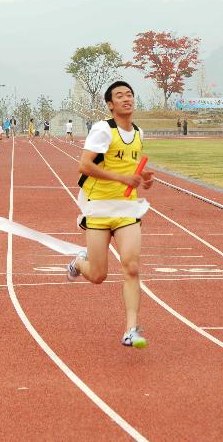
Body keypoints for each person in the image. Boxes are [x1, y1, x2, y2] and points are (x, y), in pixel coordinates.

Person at [67, 81, 154, 349]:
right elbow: (83, 165)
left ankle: (131, 329)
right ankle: (80, 263)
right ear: (110, 104)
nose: (126, 99)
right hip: (99, 208)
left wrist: (144, 180)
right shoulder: (103, 130)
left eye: (130, 94)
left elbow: (132, 170)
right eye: (120, 96)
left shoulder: (139, 133)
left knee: (132, 266)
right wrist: (120, 177)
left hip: (127, 208)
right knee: (98, 276)